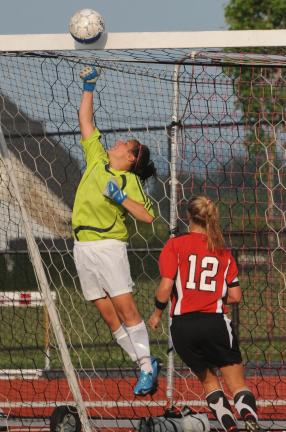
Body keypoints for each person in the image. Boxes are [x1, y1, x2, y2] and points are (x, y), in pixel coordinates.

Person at [72, 66, 159, 396]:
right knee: (109, 317)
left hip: (108, 245)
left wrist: (121, 197)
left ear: (132, 158)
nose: (119, 141)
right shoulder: (97, 160)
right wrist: (88, 86)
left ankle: (147, 366)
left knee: (126, 309)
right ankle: (145, 364)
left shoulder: (131, 181)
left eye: (126, 143)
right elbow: (86, 123)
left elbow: (148, 217)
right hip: (82, 245)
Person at [149, 196, 261, 432]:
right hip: (214, 324)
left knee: (210, 382)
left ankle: (229, 426)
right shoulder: (221, 251)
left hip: (183, 328)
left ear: (188, 216)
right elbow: (236, 296)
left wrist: (157, 313)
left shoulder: (175, 245)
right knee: (237, 384)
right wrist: (214, 298)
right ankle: (249, 417)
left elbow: (165, 287)